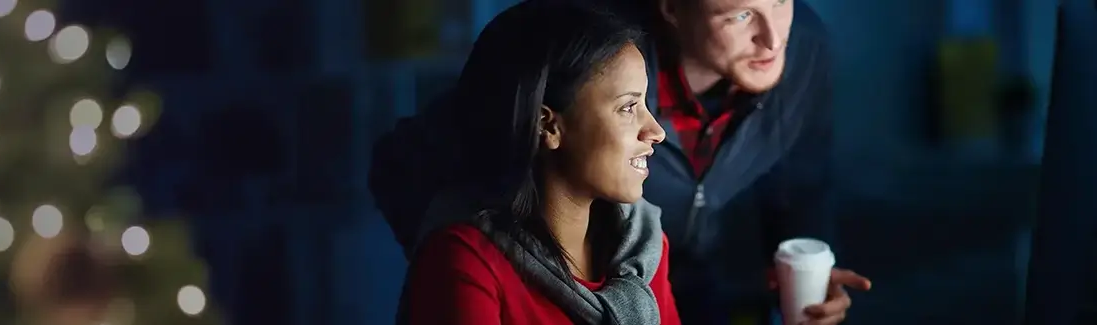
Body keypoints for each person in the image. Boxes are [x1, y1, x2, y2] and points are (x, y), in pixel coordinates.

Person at [370, 0, 872, 324]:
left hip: (681, 278)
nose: (772, 37)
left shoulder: (643, 242)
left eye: (782, 0)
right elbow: (416, 159)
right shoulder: (599, 52)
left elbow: (805, 183)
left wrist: (808, 266)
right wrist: (497, 263)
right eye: (739, 15)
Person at [393, 2, 679, 324]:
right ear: (548, 126)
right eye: (628, 107)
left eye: (644, 103)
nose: (656, 131)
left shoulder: (644, 247)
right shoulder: (466, 261)